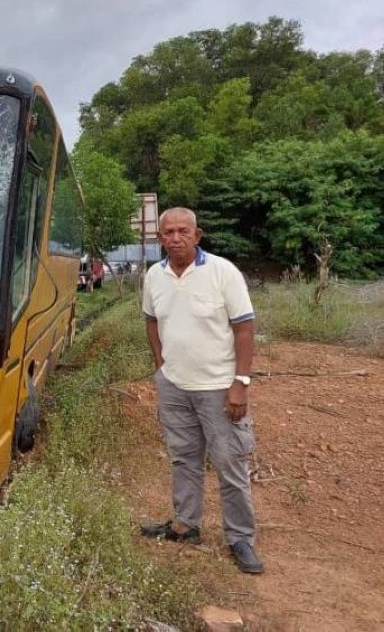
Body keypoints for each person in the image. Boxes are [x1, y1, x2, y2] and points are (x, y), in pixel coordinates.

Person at [140, 207, 263, 575]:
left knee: (230, 462)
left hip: (218, 389)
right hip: (175, 387)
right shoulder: (154, 276)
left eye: (183, 231)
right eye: (168, 232)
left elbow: (244, 328)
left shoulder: (223, 272)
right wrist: (161, 366)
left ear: (197, 235)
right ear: (160, 238)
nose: (175, 238)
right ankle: (185, 525)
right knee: (184, 458)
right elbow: (151, 320)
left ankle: (240, 538)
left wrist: (241, 383)